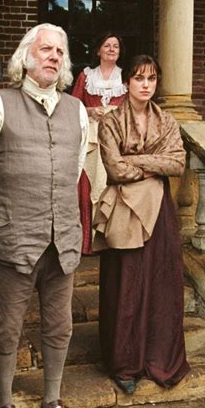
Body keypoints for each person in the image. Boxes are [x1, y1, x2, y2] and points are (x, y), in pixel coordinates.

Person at [0, 23, 88, 408]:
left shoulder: (77, 111)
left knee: (60, 326)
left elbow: (75, 171)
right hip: (15, 239)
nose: (53, 56)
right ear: (26, 57)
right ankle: (5, 407)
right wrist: (1, 212)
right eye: (45, 48)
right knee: (7, 327)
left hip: (63, 238)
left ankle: (52, 402)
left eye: (60, 51)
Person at [92, 54, 190, 394]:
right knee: (127, 284)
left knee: (160, 283)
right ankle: (125, 362)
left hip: (159, 211)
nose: (146, 85)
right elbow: (115, 170)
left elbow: (177, 162)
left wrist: (136, 160)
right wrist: (153, 166)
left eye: (151, 79)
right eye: (139, 78)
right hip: (126, 210)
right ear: (127, 83)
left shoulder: (168, 121)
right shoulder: (111, 121)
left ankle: (156, 356)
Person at [72, 32, 127, 254]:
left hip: (117, 136)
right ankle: (87, 242)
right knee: (88, 186)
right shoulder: (86, 76)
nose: (112, 49)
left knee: (113, 185)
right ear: (98, 50)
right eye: (107, 45)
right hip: (92, 137)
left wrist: (115, 112)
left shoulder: (125, 77)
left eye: (116, 46)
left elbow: (134, 107)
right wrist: (91, 110)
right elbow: (73, 106)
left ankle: (112, 239)